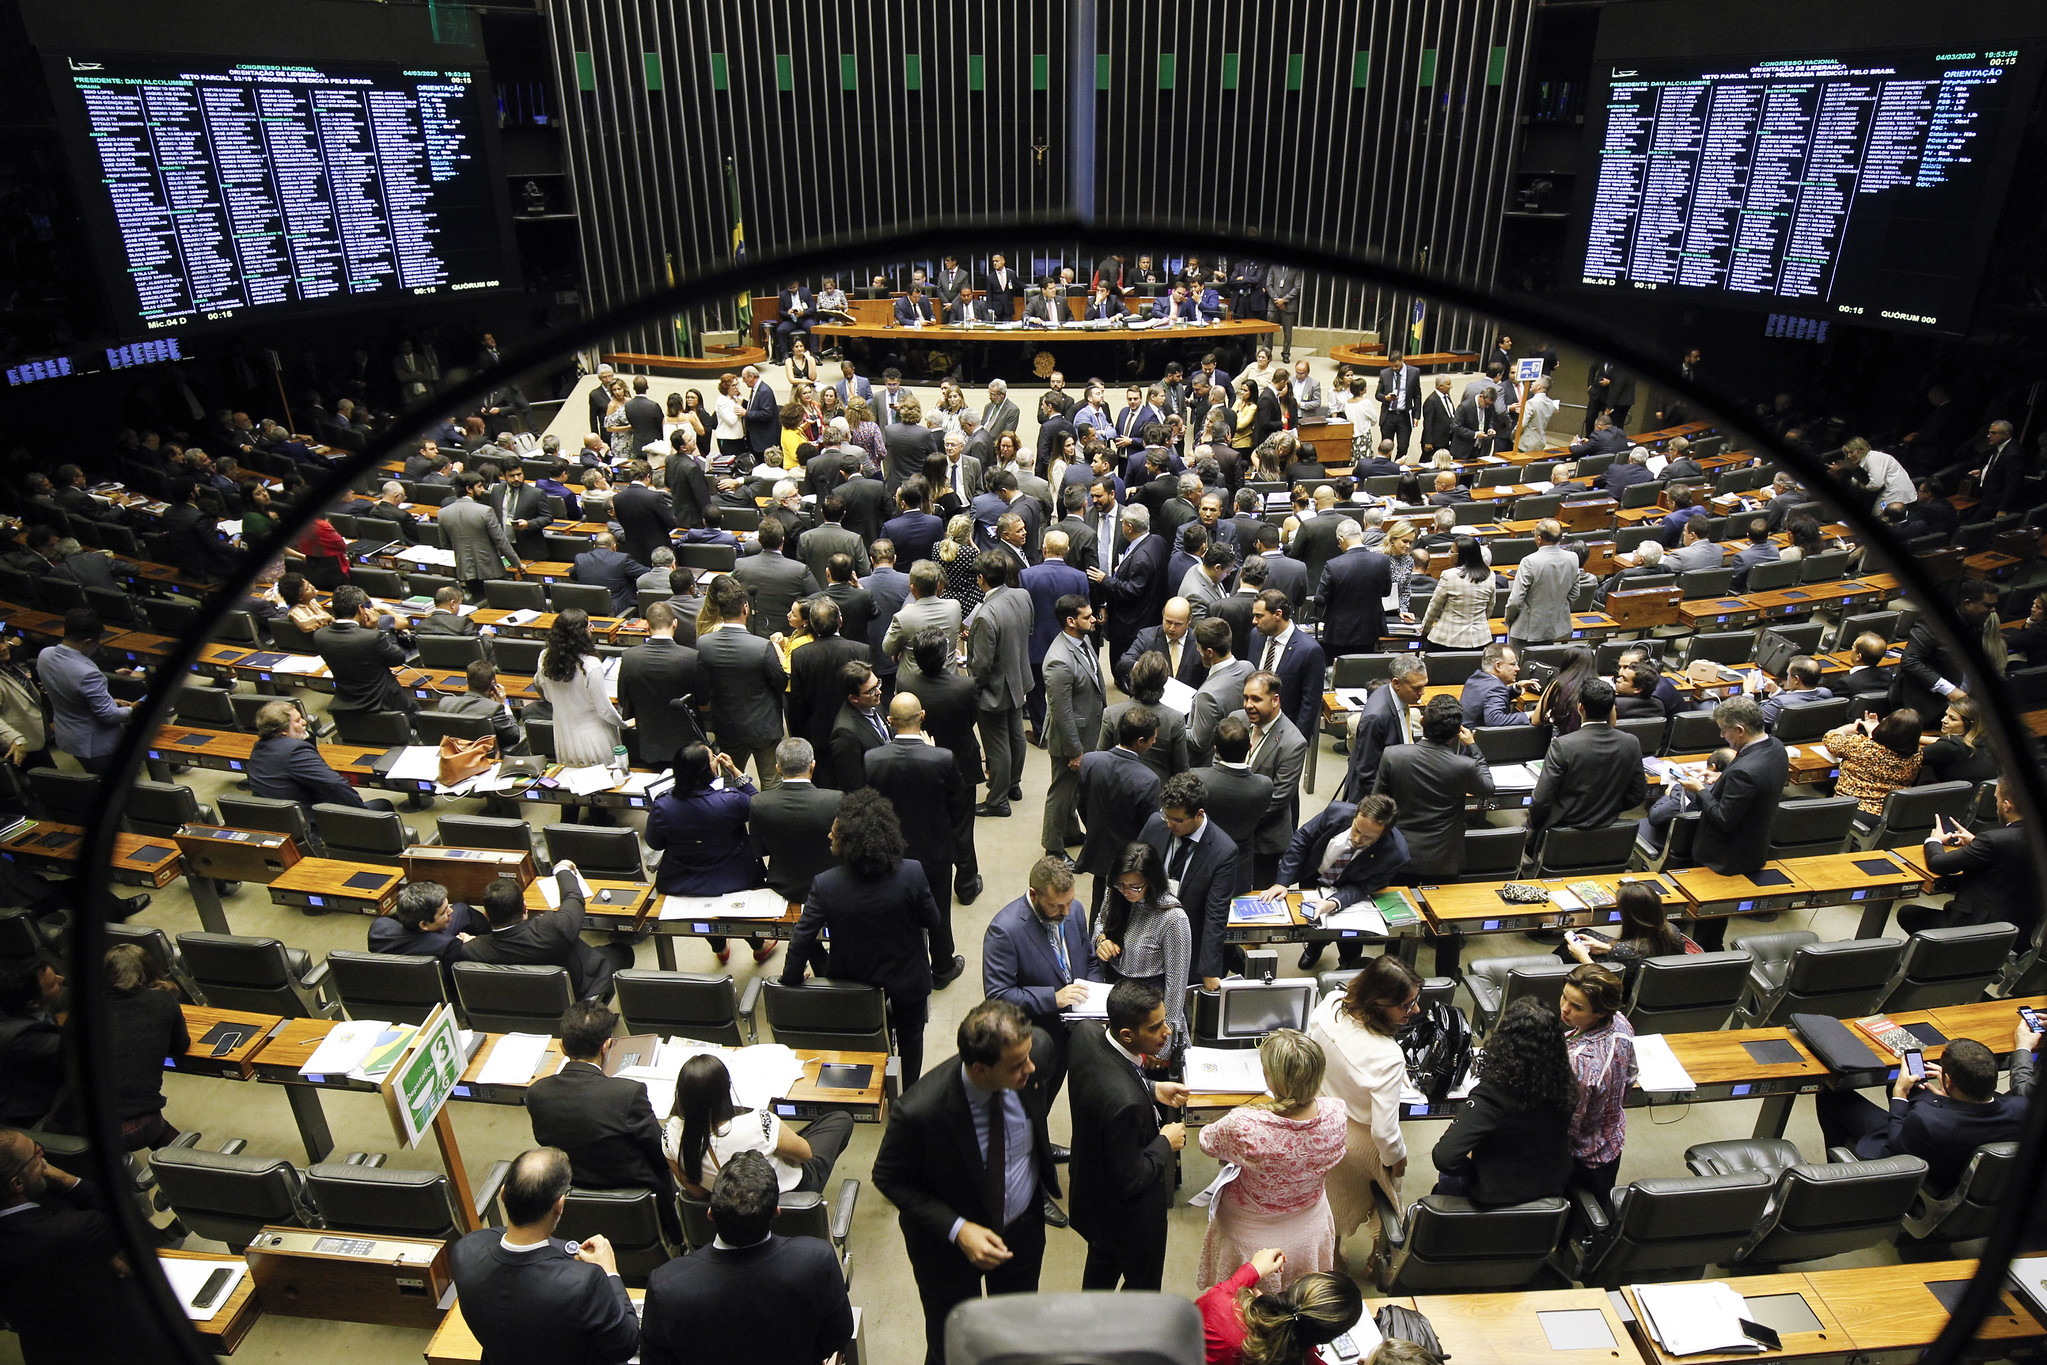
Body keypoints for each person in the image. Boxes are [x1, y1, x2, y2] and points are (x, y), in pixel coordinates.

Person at [872, 1000, 1062, 1365]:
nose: (1032, 1068)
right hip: (947, 1251)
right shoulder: (920, 1112)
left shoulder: (1033, 1052)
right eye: (1017, 1065)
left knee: (1016, 1332)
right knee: (952, 1342)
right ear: (980, 1069)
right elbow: (888, 1176)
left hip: (1021, 1233)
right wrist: (959, 1230)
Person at [783, 789, 948, 1079]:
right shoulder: (912, 872)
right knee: (911, 1038)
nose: (829, 835)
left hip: (853, 978)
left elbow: (802, 938)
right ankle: (908, 1092)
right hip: (907, 975)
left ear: (850, 838)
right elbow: (932, 919)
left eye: (835, 830)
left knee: (860, 1038)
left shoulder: (826, 884)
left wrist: (791, 979)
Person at [640, 1152, 851, 1365]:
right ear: (776, 1212)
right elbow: (838, 1334)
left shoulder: (666, 1286)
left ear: (711, 1214)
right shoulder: (817, 1260)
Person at [448, 1147, 639, 1365]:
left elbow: (498, 1237)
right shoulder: (585, 1282)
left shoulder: (465, 1250)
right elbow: (626, 1344)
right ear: (560, 1205)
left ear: (503, 1194)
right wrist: (610, 1272)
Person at [0, 1126, 172, 1365]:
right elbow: (142, 1236)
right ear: (17, 1184)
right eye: (35, 1155)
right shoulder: (78, 1229)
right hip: (116, 1349)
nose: (43, 1155)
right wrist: (67, 1180)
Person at [1196, 1029, 1347, 1292]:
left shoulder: (1244, 1126)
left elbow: (1206, 1141)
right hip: (1310, 1220)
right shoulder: (1337, 1113)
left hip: (1253, 1228)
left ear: (1272, 1077)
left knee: (1243, 1313)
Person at [1067, 979, 1190, 1291]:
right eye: (1156, 1027)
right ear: (1127, 1034)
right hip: (1130, 1219)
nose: (1168, 1032)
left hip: (1092, 1195)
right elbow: (1132, 1178)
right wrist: (1166, 1141)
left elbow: (1112, 1077)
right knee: (1143, 1288)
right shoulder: (1126, 1105)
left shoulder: (1086, 1034)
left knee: (1099, 1271)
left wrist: (1152, 1088)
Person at [526, 1000, 679, 1238]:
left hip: (576, 1211)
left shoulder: (536, 1094)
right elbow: (661, 1154)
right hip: (638, 1210)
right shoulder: (627, 1094)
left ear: (562, 1047)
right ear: (607, 1046)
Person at [1815, 1037, 2026, 1195]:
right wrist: (1952, 1098)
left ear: (1949, 1082)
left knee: (1830, 1096)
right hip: (1965, 1170)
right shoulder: (2024, 1108)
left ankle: (1837, 1183)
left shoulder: (1927, 1120)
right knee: (1913, 1089)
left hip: (1928, 1173)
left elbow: (1898, 1146)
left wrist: (1900, 1095)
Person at [1308, 955, 1418, 1254]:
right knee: (1391, 1193)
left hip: (1320, 1117)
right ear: (1378, 1002)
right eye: (1406, 1005)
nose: (1415, 1010)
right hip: (1360, 1139)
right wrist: (1398, 1158)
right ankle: (1379, 1257)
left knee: (1332, 1196)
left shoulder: (1329, 1004)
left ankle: (1332, 1256)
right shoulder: (1389, 1056)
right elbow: (1384, 1132)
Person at [984, 855, 1101, 1131]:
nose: (1067, 911)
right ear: (1034, 895)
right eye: (1057, 905)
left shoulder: (1075, 911)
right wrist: (1054, 998)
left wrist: (1094, 995)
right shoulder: (1005, 930)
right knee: (1027, 1108)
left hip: (1072, 1033)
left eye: (1070, 902)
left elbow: (1090, 959)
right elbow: (998, 994)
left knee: (1047, 1100)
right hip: (1033, 1041)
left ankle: (1040, 1145)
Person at [1431, 997, 1576, 1205]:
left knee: (1448, 1178)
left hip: (1494, 1195)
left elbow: (1444, 1157)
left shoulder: (1491, 1096)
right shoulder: (1564, 1081)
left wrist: (1475, 1168)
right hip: (1550, 1189)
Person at [646, 743, 768, 966]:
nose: (716, 760)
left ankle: (719, 947)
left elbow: (655, 842)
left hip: (683, 880)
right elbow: (761, 807)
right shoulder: (729, 800)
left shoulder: (662, 805)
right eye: (713, 758)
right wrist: (735, 772)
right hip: (735, 877)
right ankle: (758, 945)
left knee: (701, 911)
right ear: (707, 770)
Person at [663, 1054, 852, 1199]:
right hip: (786, 1194)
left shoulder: (670, 1135)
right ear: (725, 1090)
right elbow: (805, 1155)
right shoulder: (758, 1123)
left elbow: (697, 1192)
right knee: (840, 1119)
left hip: (728, 1209)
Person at [1683, 695, 1787, 949]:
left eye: (1724, 730)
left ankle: (1705, 957)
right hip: (1755, 842)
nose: (1722, 736)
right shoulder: (1775, 747)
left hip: (1723, 856)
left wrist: (1700, 790)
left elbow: (1723, 819)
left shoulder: (1745, 770)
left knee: (1710, 920)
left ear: (1740, 730)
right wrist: (1721, 781)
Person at [1273, 795, 1411, 972]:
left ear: (1384, 833)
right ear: (1355, 815)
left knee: (1351, 940)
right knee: (1314, 924)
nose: (1358, 839)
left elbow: (1363, 887)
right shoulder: (1336, 812)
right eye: (1356, 830)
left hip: (1349, 890)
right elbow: (1303, 839)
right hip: (1314, 877)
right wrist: (1282, 882)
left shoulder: (1395, 854)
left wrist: (1333, 903)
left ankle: (1349, 962)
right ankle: (1314, 947)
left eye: (1368, 837)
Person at [460, 865, 632, 1003]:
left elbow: (474, 947)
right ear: (525, 909)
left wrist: (470, 942)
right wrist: (562, 869)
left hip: (529, 1004)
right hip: (579, 992)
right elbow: (573, 897)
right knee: (623, 952)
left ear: (486, 916)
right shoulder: (551, 927)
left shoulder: (472, 950)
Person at [1899, 773, 2039, 941]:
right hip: (2026, 931)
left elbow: (1938, 864)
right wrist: (1976, 842)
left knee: (1908, 913)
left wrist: (1934, 839)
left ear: (2007, 806)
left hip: (1979, 929)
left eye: (1997, 799)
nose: (1997, 804)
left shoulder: (1994, 841)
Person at [1139, 774, 1240, 990]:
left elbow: (1215, 914)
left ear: (1199, 814)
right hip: (1148, 939)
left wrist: (1210, 970)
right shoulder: (1155, 824)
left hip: (1188, 947)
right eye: (1166, 816)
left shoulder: (1223, 851)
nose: (1169, 824)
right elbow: (1135, 872)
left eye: (1177, 820)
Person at [1094, 841, 1193, 1058]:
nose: (1127, 892)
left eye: (1135, 887)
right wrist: (1101, 941)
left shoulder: (1173, 918)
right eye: (1122, 885)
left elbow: (1176, 989)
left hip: (1153, 1013)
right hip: (1118, 1003)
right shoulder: (1115, 893)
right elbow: (1100, 922)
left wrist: (1162, 1048)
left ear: (1152, 880)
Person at [1526, 679, 1648, 849]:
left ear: (1580, 707)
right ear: (1612, 708)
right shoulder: (1631, 742)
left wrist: (1534, 823)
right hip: (1607, 829)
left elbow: (1540, 800)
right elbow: (1637, 794)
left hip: (1561, 831)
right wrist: (1607, 810)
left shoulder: (1563, 745)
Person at [695, 577, 789, 787]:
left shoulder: (704, 643)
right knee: (771, 782)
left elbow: (701, 688)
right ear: (745, 608)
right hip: (763, 725)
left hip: (727, 725)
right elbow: (781, 682)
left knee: (730, 779)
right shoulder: (762, 647)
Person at [95, 945, 187, 1150]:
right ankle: (196, 1171)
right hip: (137, 1124)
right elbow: (181, 1046)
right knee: (149, 1123)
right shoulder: (163, 1001)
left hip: (83, 1123)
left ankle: (191, 1167)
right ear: (149, 970)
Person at [1197, 1253, 1364, 1365]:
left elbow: (1215, 1299)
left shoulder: (1219, 1309)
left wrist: (1253, 1270)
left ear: (1297, 1286)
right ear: (1327, 1338)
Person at [1560, 963, 1636, 1205]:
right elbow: (1631, 1075)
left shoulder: (1580, 1063)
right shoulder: (1621, 1023)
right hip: (1612, 1141)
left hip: (1582, 1158)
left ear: (1600, 1012)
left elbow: (1570, 1124)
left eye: (1576, 1006)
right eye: (1564, 996)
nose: (1565, 1008)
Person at [1079, 708, 1167, 909]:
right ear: (1140, 741)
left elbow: (1082, 806)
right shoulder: (1148, 780)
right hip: (1129, 863)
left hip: (1098, 852)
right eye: (1153, 738)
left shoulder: (1091, 761)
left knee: (1098, 908)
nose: (1155, 742)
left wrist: (1096, 830)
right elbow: (1149, 830)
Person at [248, 699, 395, 818]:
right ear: (283, 731)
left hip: (279, 819)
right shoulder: (295, 751)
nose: (305, 722)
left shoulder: (259, 747)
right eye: (298, 721)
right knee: (383, 805)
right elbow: (334, 784)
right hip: (312, 821)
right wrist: (361, 812)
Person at [1042, 593, 1107, 855]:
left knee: (1074, 791)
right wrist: (1074, 750)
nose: (1093, 619)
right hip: (1070, 738)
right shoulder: (1059, 660)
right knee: (1061, 793)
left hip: (1087, 731)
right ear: (1071, 621)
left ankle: (1069, 833)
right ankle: (1053, 848)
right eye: (1087, 616)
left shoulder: (1083, 639)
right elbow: (1061, 711)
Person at [1238, 672, 1310, 888]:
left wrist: (1236, 819)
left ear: (1275, 699)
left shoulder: (1293, 742)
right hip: (1232, 837)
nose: (1248, 705)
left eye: (1256, 699)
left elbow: (1279, 797)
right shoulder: (1237, 720)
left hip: (1265, 840)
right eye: (1246, 698)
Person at [1894, 578, 1998, 727]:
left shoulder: (1977, 624)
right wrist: (1950, 691)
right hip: (1926, 705)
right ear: (1967, 603)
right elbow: (1910, 661)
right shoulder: (1933, 624)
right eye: (1989, 605)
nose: (1993, 610)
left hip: (1963, 703)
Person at [37, 609, 130, 774]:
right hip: (96, 743)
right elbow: (109, 716)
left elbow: (68, 690)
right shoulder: (87, 673)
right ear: (88, 642)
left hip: (69, 734)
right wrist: (135, 708)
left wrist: (109, 701)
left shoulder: (45, 654)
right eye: (96, 643)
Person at [615, 602, 702, 768]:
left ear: (647, 625)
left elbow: (622, 699)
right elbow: (703, 698)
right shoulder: (692, 657)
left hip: (648, 743)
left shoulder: (629, 657)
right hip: (686, 744)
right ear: (675, 623)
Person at [535, 609, 625, 767]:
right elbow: (604, 709)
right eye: (589, 626)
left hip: (564, 736)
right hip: (594, 739)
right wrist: (623, 724)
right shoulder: (591, 665)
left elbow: (548, 697)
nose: (592, 628)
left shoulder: (544, 657)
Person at [1339, 653, 1426, 803]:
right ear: (1397, 683)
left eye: (1424, 685)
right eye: (1416, 688)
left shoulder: (1394, 694)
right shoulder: (1376, 717)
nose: (1422, 692)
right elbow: (1367, 773)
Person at [1824, 708, 1923, 824]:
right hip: (1888, 815)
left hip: (1849, 810)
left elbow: (1830, 740)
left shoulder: (1861, 746)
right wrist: (1873, 731)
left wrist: (1844, 729)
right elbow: (1889, 748)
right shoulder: (1917, 757)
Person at [0, 962, 64, 1128]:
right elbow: (73, 1048)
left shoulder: (26, 1003)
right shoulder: (24, 1037)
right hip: (26, 1120)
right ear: (33, 1003)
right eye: (53, 983)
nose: (61, 979)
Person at [371, 878, 486, 971]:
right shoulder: (449, 946)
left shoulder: (378, 929)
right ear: (424, 924)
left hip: (425, 940)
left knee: (462, 910)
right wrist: (471, 945)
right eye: (444, 912)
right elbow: (457, 977)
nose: (451, 911)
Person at [440, 472, 523, 599]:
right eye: (479, 486)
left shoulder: (443, 513)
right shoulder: (485, 511)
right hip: (490, 569)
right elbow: (501, 541)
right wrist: (517, 563)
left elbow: (445, 544)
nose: (483, 490)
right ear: (469, 489)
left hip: (465, 570)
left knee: (479, 603)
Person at [1505, 519, 1577, 647]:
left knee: (1521, 665)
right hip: (1554, 625)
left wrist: (1509, 620)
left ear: (1539, 539)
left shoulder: (1529, 561)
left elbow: (1515, 600)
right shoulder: (1572, 558)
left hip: (1526, 628)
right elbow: (1574, 594)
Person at [1423, 537, 1497, 653]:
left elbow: (1434, 607)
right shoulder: (1490, 576)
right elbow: (1489, 608)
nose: (1449, 554)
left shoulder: (1449, 575)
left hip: (1447, 639)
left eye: (1452, 551)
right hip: (1479, 640)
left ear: (1462, 555)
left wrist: (1425, 629)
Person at [1460, 643, 1530, 727]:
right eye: (1513, 664)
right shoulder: (1496, 688)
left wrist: (1516, 687)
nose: (1517, 669)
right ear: (1498, 666)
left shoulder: (1475, 678)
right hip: (1478, 738)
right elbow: (1495, 720)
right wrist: (1528, 715)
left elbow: (1491, 697)